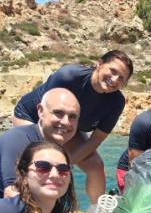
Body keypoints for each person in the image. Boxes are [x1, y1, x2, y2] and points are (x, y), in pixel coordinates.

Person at [13, 50, 133, 203]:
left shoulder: (116, 102)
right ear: (99, 64)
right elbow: (48, 117)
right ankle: (23, 205)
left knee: (95, 165)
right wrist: (55, 161)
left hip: (68, 127)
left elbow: (95, 140)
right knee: (37, 162)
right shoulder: (68, 77)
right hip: (33, 117)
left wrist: (67, 163)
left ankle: (98, 211)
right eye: (113, 71)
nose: (114, 79)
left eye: (121, 78)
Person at [0, 88, 80, 198]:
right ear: (40, 111)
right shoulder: (17, 139)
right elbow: (11, 194)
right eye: (58, 113)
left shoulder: (57, 150)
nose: (66, 122)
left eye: (72, 116)